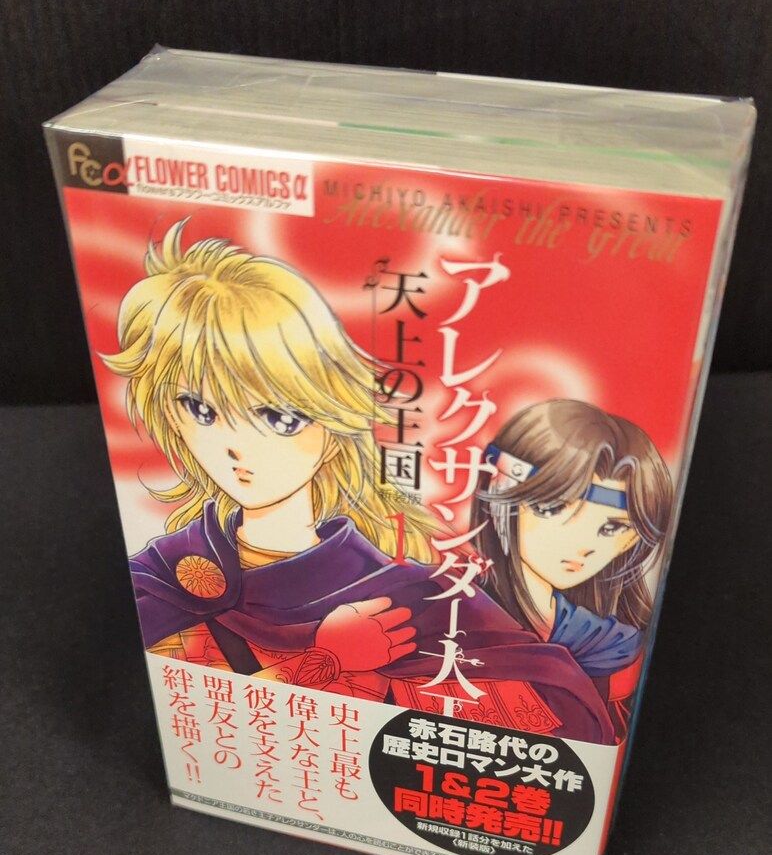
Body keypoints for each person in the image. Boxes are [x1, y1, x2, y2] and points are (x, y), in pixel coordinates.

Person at [106, 221, 617, 744]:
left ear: (335, 426)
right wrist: (326, 659)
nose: (236, 446)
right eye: (201, 409)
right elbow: (184, 721)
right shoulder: (162, 576)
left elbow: (562, 726)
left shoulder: (414, 596)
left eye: (279, 417)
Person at [472, 399, 673, 736]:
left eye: (612, 527)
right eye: (551, 509)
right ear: (500, 494)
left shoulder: (616, 648)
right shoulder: (440, 606)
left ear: (630, 540)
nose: (582, 544)